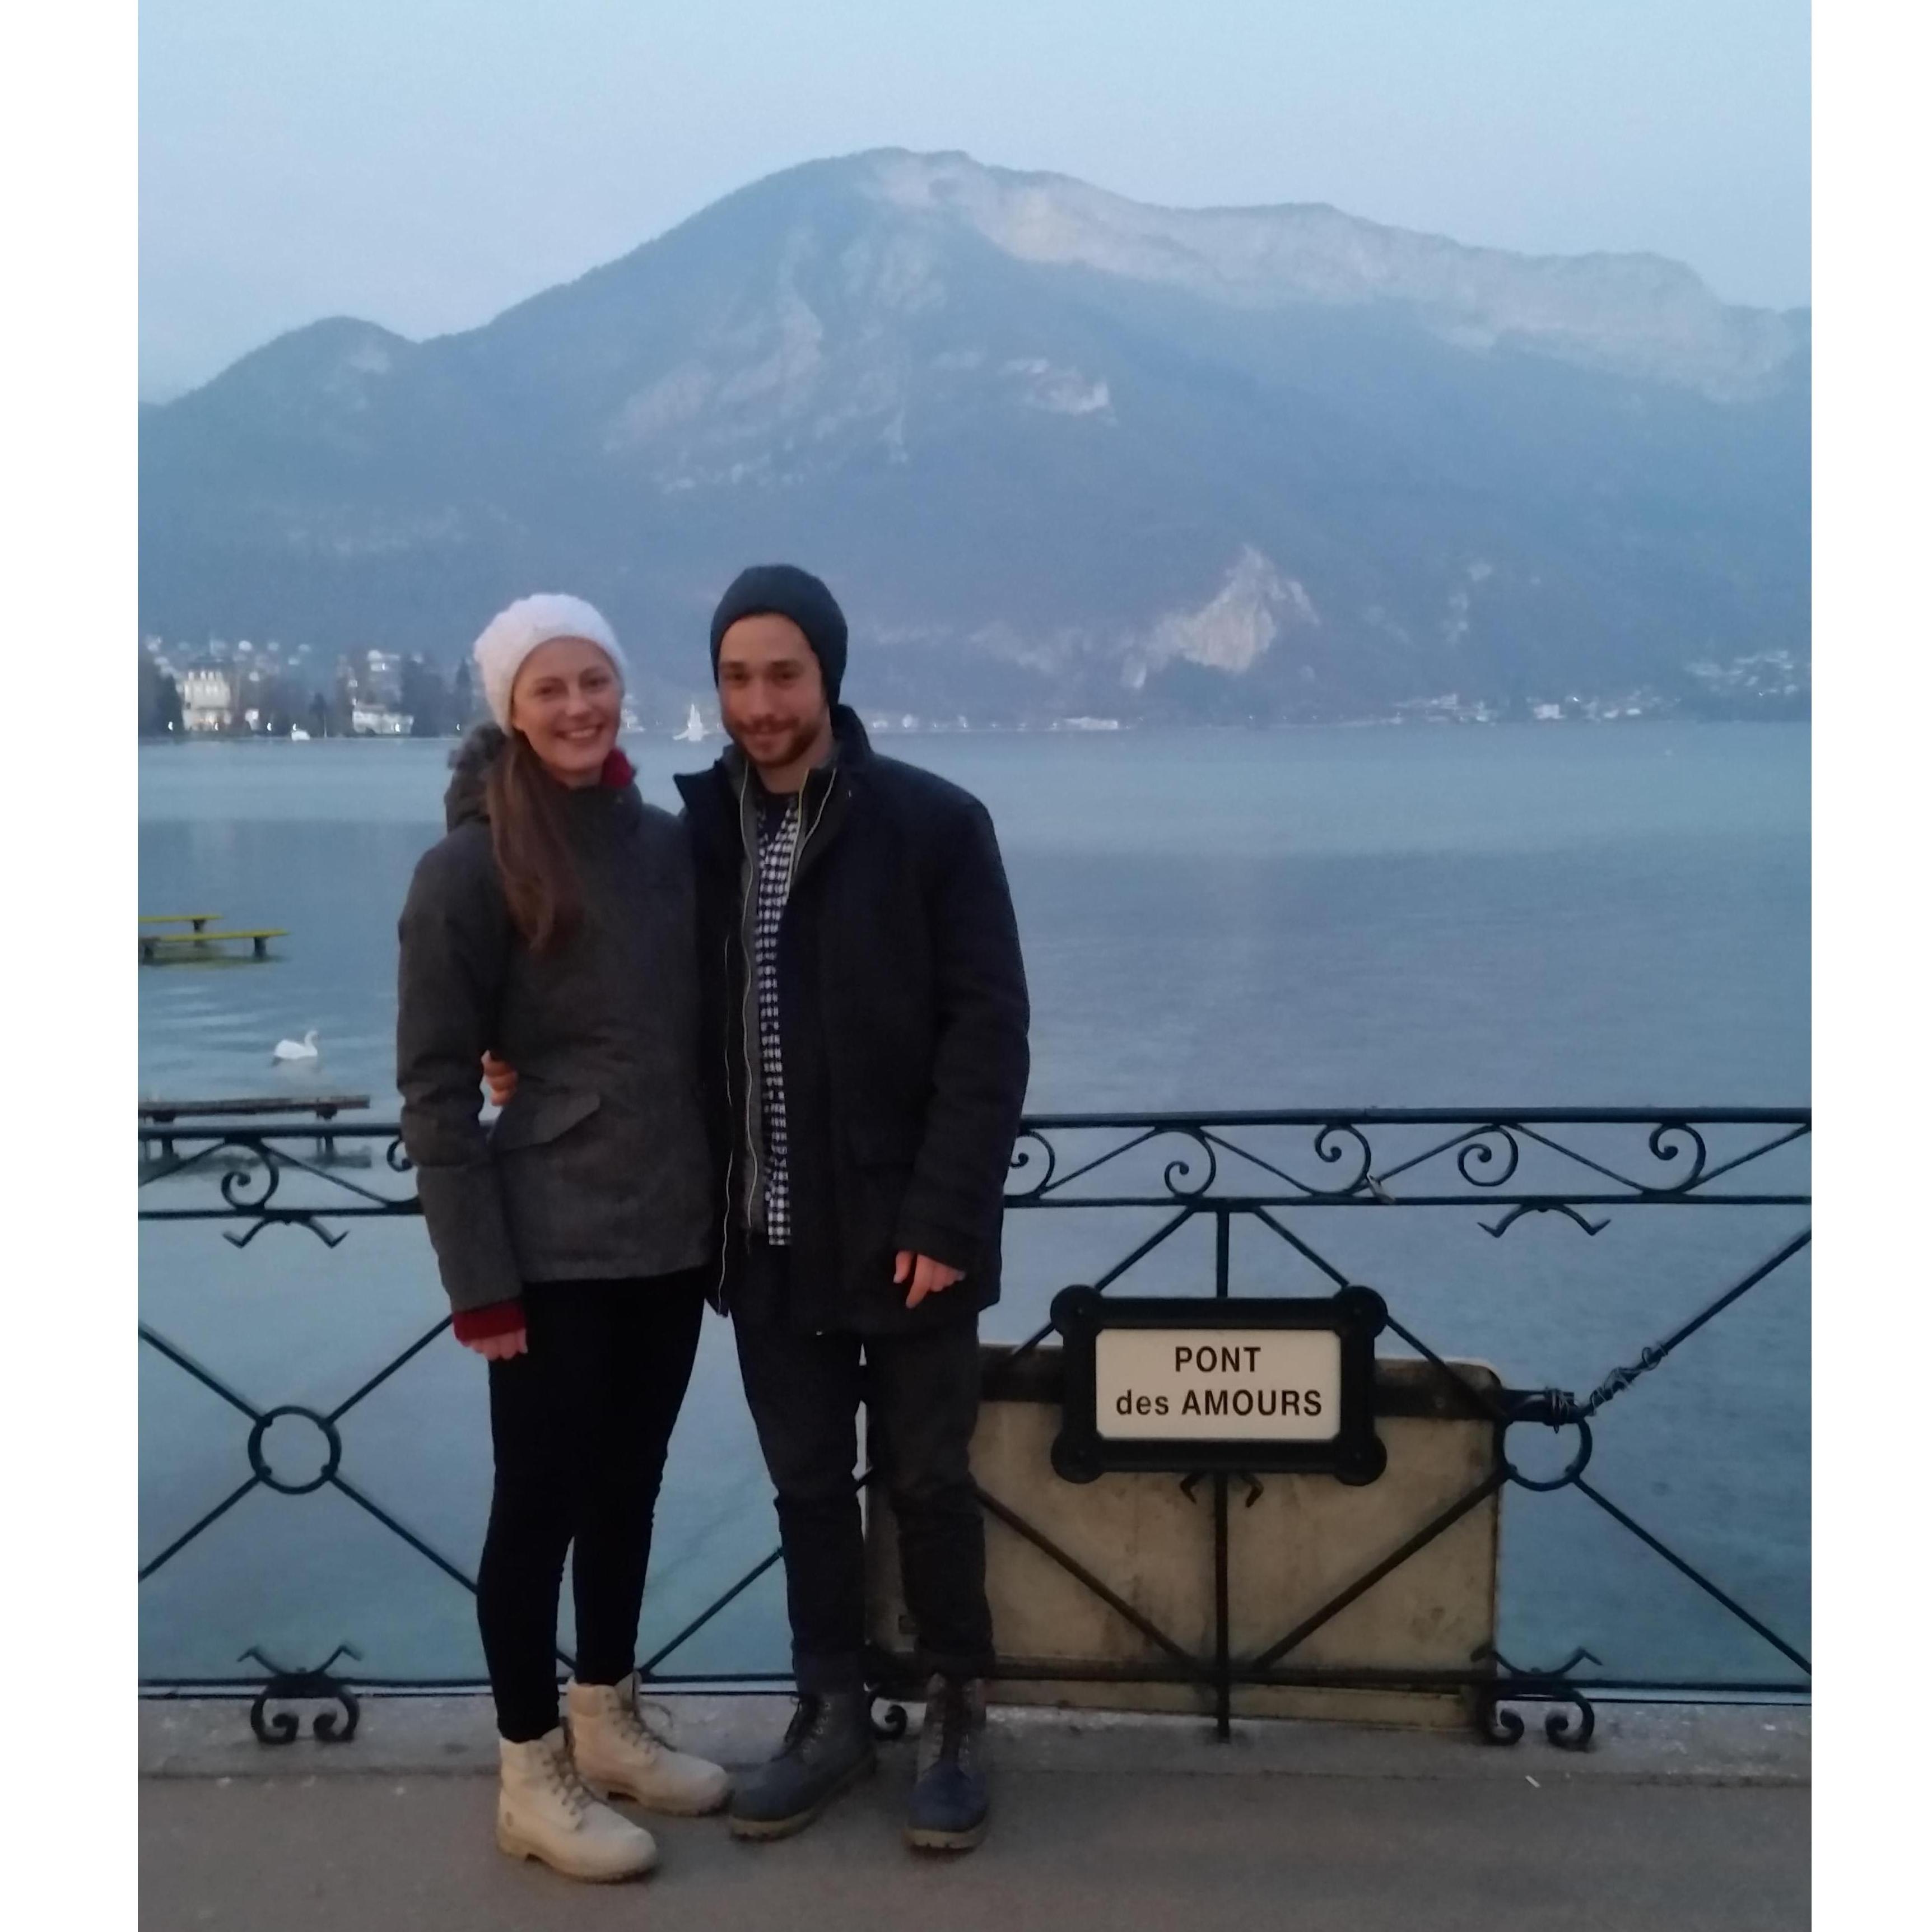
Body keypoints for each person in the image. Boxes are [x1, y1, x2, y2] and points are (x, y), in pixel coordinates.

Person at [682, 565, 1030, 1852]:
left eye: (783, 674)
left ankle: (952, 1710)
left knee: (931, 1485)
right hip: (766, 1242)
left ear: (830, 675)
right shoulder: (702, 836)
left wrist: (947, 1222)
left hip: (907, 1244)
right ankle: (829, 1714)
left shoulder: (933, 825)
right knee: (807, 1491)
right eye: (736, 676)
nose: (760, 703)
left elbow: (988, 1035)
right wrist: (505, 1053)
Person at [397, 593, 729, 1884]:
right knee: (535, 1506)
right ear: (509, 710)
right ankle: (529, 1770)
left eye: (595, 681)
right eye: (550, 690)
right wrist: (476, 1281)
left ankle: (608, 1721)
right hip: (542, 1245)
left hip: (667, 1225)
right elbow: (433, 1091)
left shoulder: (664, 845)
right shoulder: (469, 869)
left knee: (630, 1489)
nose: (580, 707)